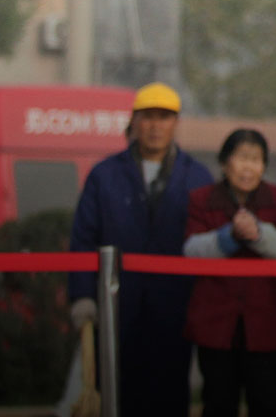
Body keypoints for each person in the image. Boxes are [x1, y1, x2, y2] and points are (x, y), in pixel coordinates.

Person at [68, 82, 213, 417]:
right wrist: (82, 296)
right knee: (118, 394)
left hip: (176, 308)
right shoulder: (104, 175)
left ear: (175, 123)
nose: (155, 125)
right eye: (148, 117)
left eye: (164, 117)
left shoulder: (198, 177)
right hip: (117, 308)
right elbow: (83, 238)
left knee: (170, 393)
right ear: (133, 121)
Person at [183, 128, 276, 417]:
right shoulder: (201, 199)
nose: (249, 167)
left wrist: (258, 234)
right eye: (241, 158)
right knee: (218, 404)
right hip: (216, 323)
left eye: (256, 160)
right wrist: (229, 236)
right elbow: (190, 251)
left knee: (268, 404)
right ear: (224, 163)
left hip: (267, 322)